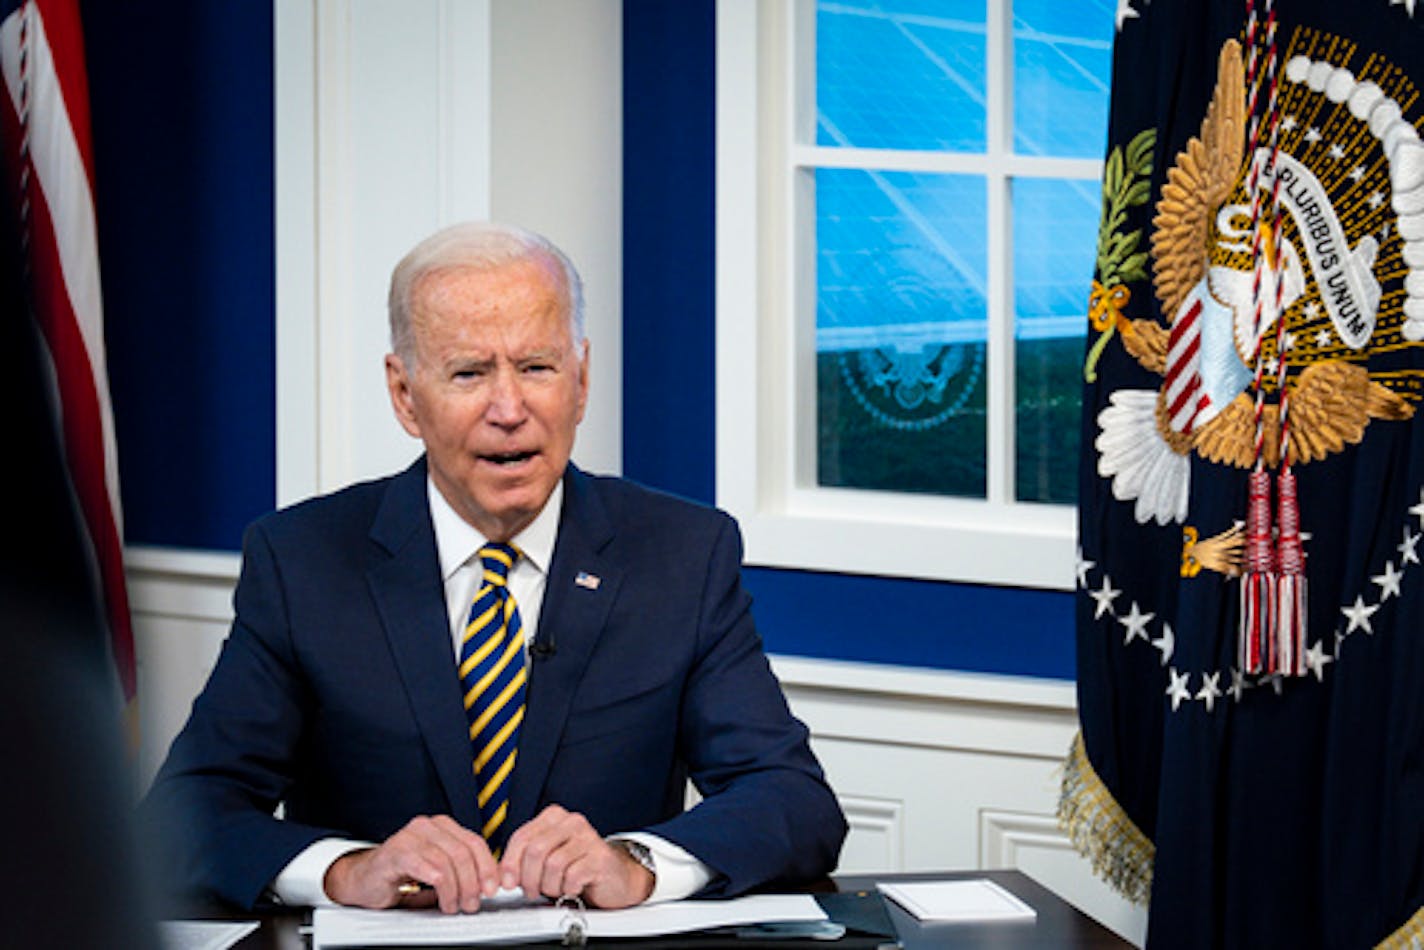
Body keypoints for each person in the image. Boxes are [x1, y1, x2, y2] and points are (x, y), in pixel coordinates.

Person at [142, 221, 846, 914]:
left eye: (537, 367)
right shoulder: (303, 561)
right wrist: (349, 871)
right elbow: (185, 817)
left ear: (581, 379)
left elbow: (791, 800)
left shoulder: (682, 555)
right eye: (469, 373)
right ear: (404, 394)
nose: (509, 410)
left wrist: (634, 865)